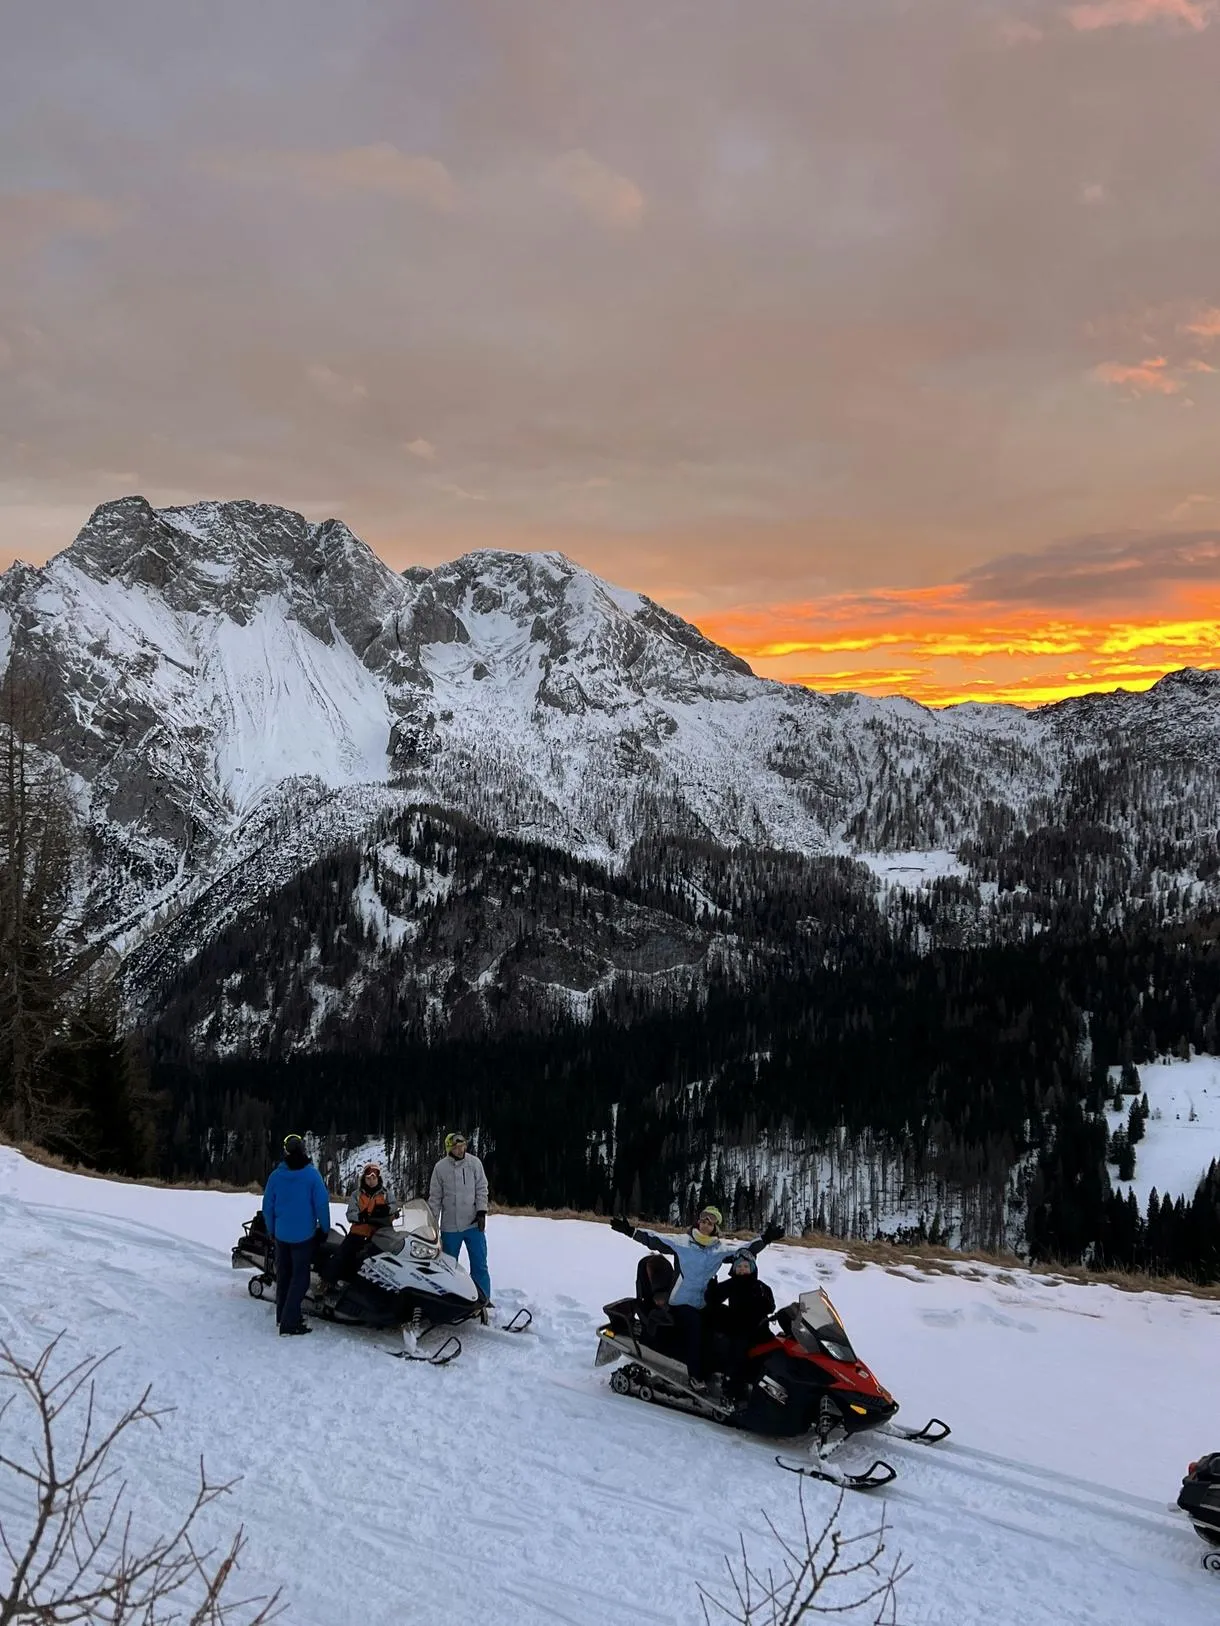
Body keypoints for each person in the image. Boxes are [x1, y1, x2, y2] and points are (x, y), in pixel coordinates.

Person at [611, 1207, 784, 1390]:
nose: (705, 1224)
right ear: (698, 1221)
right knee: (696, 1327)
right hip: (680, 1302)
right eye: (703, 1219)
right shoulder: (682, 1242)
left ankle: (727, 1370)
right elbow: (654, 1239)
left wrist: (766, 1239)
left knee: (727, 1324)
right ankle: (695, 1375)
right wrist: (630, 1231)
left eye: (710, 1222)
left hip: (703, 1303)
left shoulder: (719, 1250)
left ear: (715, 1227)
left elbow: (745, 1251)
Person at [262, 1133, 332, 1336]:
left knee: (283, 1275)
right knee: (300, 1280)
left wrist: (271, 1230)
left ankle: (281, 1316)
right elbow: (321, 1204)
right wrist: (325, 1229)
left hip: (282, 1234)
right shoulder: (311, 1175)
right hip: (303, 1236)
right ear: (303, 1150)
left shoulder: (276, 1176)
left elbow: (267, 1206)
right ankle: (289, 1323)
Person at [705, 1249, 777, 1400]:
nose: (742, 1270)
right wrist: (712, 1289)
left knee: (776, 1349)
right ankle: (732, 1392)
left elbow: (771, 1306)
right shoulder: (732, 1284)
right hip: (739, 1328)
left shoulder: (760, 1286)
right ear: (734, 1269)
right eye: (739, 1267)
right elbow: (715, 1298)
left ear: (752, 1268)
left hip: (760, 1328)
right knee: (739, 1355)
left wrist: (765, 1303)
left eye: (745, 1266)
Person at [428, 1132, 491, 1304]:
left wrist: (481, 1212)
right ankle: (448, 1299)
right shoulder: (440, 1168)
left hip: (473, 1224)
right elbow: (435, 1198)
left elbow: (482, 1189)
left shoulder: (474, 1163)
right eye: (455, 1147)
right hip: (450, 1226)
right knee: (447, 1266)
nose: (459, 1149)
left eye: (462, 1145)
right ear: (449, 1148)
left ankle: (483, 1298)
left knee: (479, 1264)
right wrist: (431, 1224)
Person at [320, 1161, 398, 1290]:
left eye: (374, 1177)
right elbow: (350, 1214)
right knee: (341, 1255)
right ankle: (327, 1282)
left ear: (378, 1178)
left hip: (382, 1235)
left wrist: (388, 1211)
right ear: (364, 1178)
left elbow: (394, 1206)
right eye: (368, 1177)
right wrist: (362, 1217)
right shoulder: (357, 1194)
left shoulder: (385, 1194)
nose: (371, 1180)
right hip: (359, 1233)